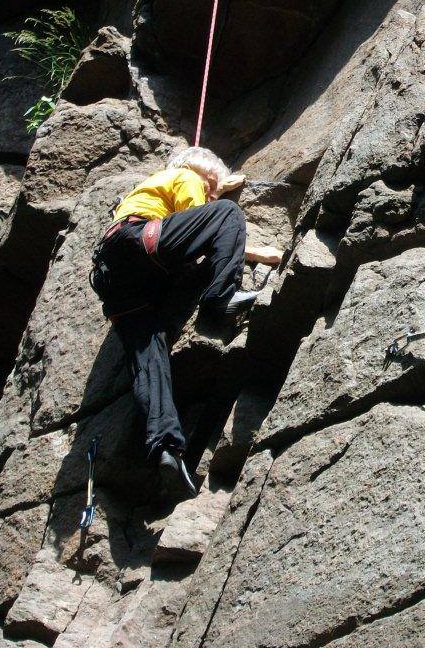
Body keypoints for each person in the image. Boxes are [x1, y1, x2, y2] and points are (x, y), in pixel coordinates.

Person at [89, 147, 282, 500]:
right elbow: (203, 223)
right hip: (139, 242)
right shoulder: (186, 177)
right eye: (212, 184)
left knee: (150, 359)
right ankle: (221, 297)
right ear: (205, 172)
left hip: (118, 282)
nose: (210, 192)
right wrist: (252, 247)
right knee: (227, 213)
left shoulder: (152, 190)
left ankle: (166, 448)